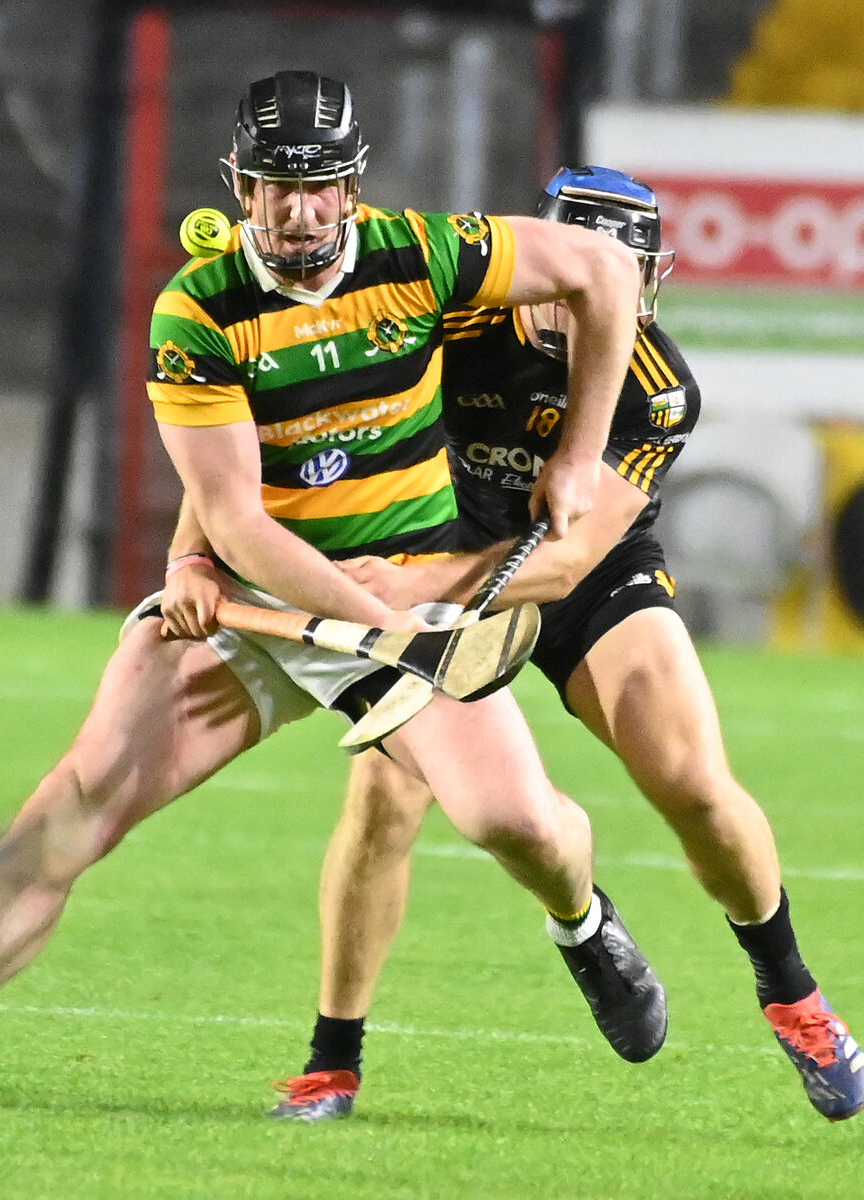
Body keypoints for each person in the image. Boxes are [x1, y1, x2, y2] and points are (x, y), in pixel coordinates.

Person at [0, 74, 668, 1081]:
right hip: (272, 607)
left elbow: (600, 268)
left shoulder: (419, 255)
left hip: (409, 590)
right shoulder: (197, 313)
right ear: (238, 186)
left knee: (517, 825)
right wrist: (210, 565)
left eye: (324, 186)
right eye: (277, 188)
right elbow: (238, 512)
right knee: (68, 816)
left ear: (354, 186)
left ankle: (581, 924)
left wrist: (575, 456)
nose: (302, 212)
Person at [243, 166, 864, 1124]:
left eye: (631, 270)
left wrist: (417, 592)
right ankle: (336, 1062)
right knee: (384, 802)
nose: (611, 294)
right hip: (436, 548)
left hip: (579, 574)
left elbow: (568, 558)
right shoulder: (452, 321)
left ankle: (791, 993)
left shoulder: (658, 387)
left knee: (692, 783)